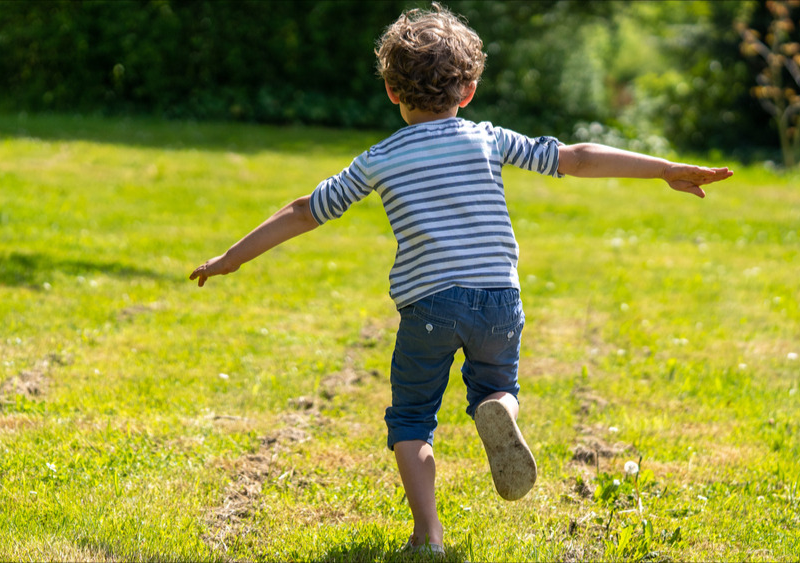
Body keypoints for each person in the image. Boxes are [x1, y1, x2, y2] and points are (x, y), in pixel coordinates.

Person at [190, 3, 733, 556]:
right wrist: (664, 168)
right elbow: (578, 157)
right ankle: (499, 409)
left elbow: (306, 210)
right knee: (498, 386)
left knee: (411, 418)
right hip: (499, 298)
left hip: (429, 305)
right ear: (468, 90)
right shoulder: (488, 138)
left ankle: (428, 536)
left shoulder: (379, 159)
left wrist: (232, 257)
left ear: (391, 91)